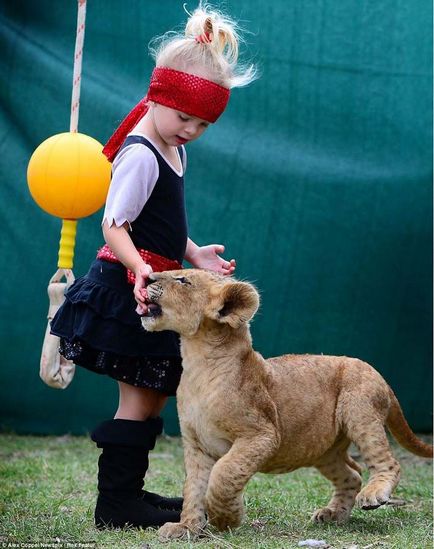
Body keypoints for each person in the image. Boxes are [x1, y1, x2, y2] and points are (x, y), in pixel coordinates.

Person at [50, 2, 256, 531]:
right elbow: (114, 225)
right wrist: (141, 267)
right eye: (184, 116)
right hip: (129, 288)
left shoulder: (171, 146)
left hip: (155, 284)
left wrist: (192, 254)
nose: (190, 129)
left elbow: (156, 220)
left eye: (203, 123)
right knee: (140, 401)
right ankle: (117, 505)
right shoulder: (143, 152)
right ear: (159, 98)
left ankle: (129, 494)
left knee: (153, 398)